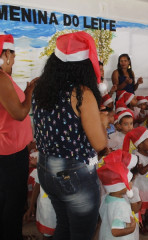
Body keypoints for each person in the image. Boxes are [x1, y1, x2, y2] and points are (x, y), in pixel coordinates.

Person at [32, 31, 108, 239]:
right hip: (74, 174)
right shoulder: (82, 93)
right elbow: (100, 143)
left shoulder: (40, 87)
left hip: (46, 168)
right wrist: (103, 122)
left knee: (64, 227)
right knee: (82, 233)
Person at [0, 34, 37, 239]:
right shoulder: (1, 79)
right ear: (5, 54)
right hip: (9, 154)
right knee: (12, 204)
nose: (14, 59)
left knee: (9, 201)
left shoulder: (5, 79)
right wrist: (30, 91)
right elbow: (20, 113)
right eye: (12, 55)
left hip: (12, 150)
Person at [123, 127, 148, 235]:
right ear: (140, 144)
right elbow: (142, 171)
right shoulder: (137, 156)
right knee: (142, 206)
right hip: (142, 186)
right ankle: (141, 223)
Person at [97, 149, 138, 240]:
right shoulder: (120, 205)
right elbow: (115, 232)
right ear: (120, 186)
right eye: (129, 181)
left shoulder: (105, 197)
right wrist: (131, 229)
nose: (131, 183)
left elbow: (114, 219)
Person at [24, 169, 56, 239]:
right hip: (47, 209)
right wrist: (31, 207)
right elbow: (37, 184)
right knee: (47, 234)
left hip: (62, 210)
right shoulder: (43, 162)